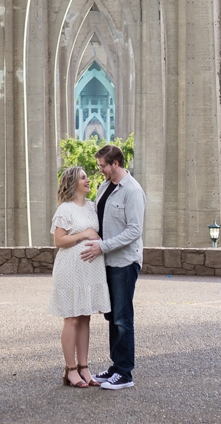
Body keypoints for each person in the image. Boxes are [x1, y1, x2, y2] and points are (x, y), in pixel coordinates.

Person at [78, 143, 143, 390]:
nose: (100, 170)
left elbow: (135, 231)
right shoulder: (105, 187)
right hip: (108, 261)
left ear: (116, 163)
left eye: (103, 165)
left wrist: (102, 247)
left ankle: (125, 374)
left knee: (122, 318)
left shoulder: (133, 191)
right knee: (112, 316)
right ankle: (116, 367)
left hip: (124, 262)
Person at [50, 165, 110, 388]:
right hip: (70, 269)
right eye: (83, 178)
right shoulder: (65, 209)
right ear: (73, 183)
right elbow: (59, 241)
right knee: (72, 318)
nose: (88, 180)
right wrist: (84, 234)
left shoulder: (93, 207)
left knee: (86, 317)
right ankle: (70, 369)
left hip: (91, 269)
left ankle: (84, 367)